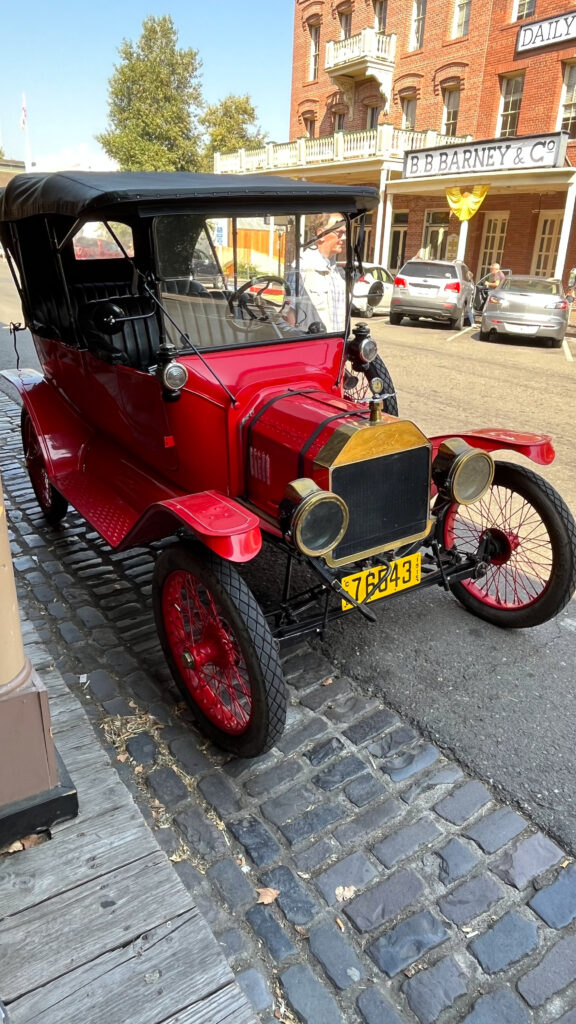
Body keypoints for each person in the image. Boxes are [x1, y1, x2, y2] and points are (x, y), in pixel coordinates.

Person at [285, 213, 346, 332]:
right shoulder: (301, 266)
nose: (344, 238)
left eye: (344, 233)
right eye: (339, 233)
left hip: (337, 345)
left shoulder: (338, 271)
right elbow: (288, 314)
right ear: (321, 234)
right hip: (313, 346)